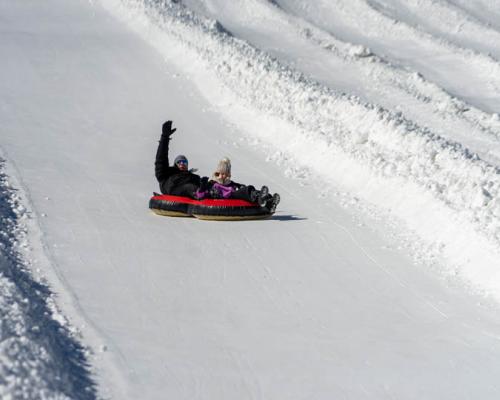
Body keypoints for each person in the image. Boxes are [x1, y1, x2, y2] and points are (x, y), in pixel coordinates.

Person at [197, 157, 280, 210]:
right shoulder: (212, 183)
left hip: (233, 196)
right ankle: (260, 198)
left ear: (228, 174)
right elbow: (200, 196)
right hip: (228, 198)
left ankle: (269, 201)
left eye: (224, 173)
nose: (222, 176)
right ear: (217, 173)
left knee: (249, 189)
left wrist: (241, 187)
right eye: (220, 173)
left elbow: (239, 187)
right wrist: (202, 187)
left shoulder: (230, 183)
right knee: (246, 191)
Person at [155, 120, 205, 197]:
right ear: (175, 164)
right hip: (177, 189)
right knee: (189, 187)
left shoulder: (191, 176)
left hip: (191, 191)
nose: (182, 164)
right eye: (179, 162)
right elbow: (161, 160)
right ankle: (199, 194)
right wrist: (165, 137)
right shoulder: (167, 174)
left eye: (184, 162)